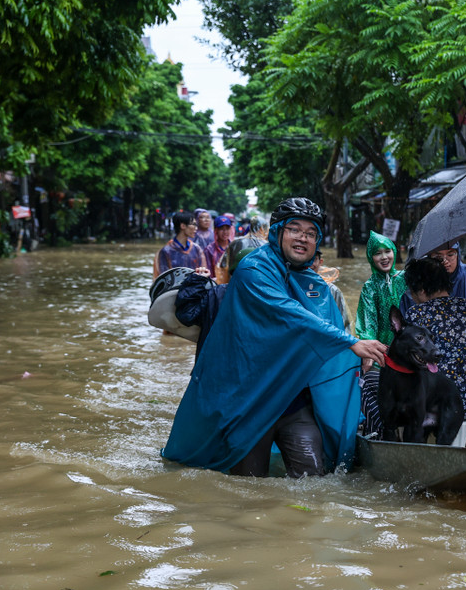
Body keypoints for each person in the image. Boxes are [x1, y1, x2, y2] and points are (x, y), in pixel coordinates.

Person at [162, 197, 387, 478]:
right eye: (295, 229)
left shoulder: (314, 283)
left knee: (314, 483)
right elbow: (289, 314)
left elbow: (330, 330)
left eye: (311, 233)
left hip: (294, 399)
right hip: (250, 401)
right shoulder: (253, 269)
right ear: (278, 231)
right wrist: (351, 343)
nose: (303, 238)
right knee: (249, 487)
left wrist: (356, 355)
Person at [403, 257, 466, 423]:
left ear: (422, 290)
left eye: (412, 292)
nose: (412, 297)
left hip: (436, 407)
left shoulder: (417, 314)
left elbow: (407, 364)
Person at [398, 242, 466, 314]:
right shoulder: (418, 279)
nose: (445, 261)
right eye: (438, 257)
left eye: (450, 255)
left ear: (458, 255)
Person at [355, 231, 407, 355]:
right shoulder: (370, 287)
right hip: (383, 350)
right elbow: (368, 322)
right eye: (377, 253)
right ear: (370, 257)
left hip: (408, 345)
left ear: (394, 252)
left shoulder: (406, 277)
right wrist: (370, 350)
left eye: (387, 251)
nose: (384, 257)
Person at [153, 211, 210, 279]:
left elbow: (204, 274)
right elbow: (164, 278)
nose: (196, 228)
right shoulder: (166, 251)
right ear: (183, 226)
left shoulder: (197, 249)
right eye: (193, 224)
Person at [216, 216, 268, 285]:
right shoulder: (267, 246)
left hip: (235, 284)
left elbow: (222, 269)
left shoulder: (235, 243)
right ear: (261, 228)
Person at [312, 250, 352, 333]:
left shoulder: (332, 290)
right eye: (307, 260)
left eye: (314, 259)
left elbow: (345, 324)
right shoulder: (288, 285)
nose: (310, 264)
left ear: (320, 262)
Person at [203, 215, 233, 279]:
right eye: (222, 229)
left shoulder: (234, 248)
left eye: (227, 229)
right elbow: (208, 272)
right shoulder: (209, 250)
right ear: (216, 230)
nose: (225, 232)